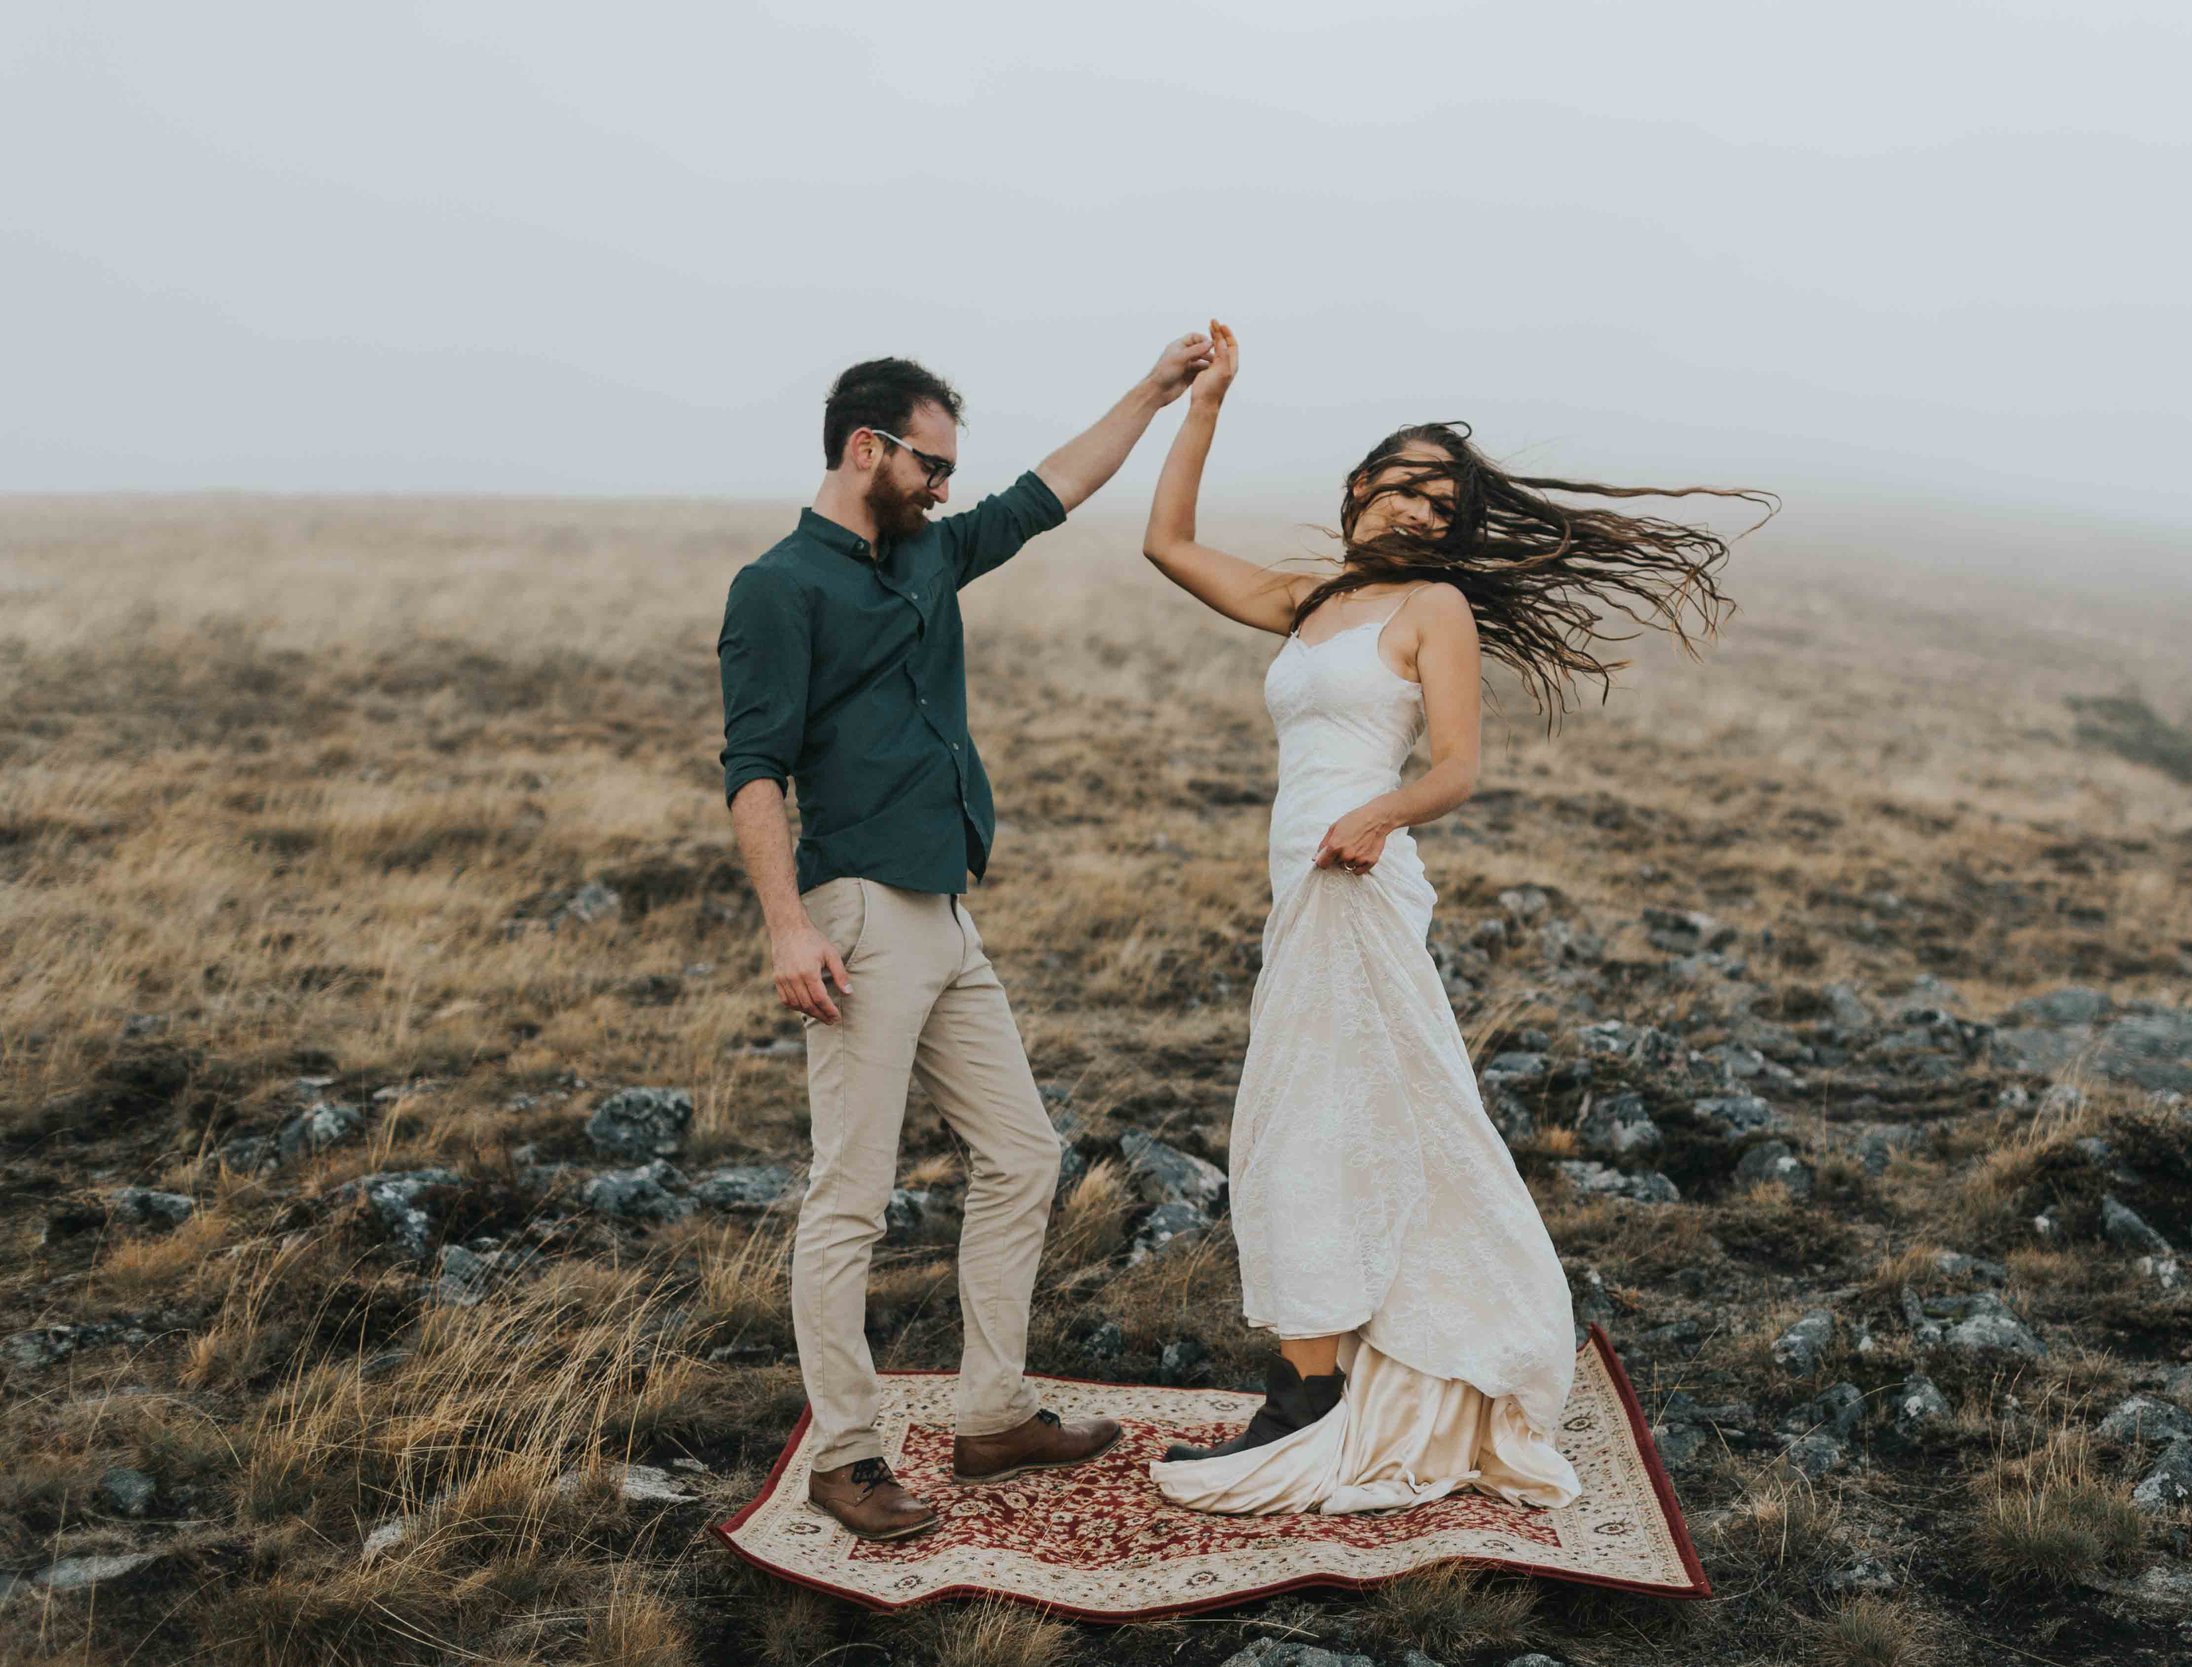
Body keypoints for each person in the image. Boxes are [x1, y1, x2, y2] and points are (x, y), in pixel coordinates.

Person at [1139, 322, 1769, 1514]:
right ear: (1360, 487)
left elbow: (1457, 767)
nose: (1427, 506)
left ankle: (1313, 1387)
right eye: (1410, 481)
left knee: (1320, 1111)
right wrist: (1206, 402)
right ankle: (1333, 1365)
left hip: (1356, 875)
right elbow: (1165, 542)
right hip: (1301, 875)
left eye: (1447, 496)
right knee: (1324, 1106)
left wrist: (1376, 817)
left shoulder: (1434, 608)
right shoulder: (1305, 601)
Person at [717, 336, 1215, 1541]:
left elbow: (1053, 490)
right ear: (863, 448)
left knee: (1024, 1152)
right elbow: (753, 771)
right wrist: (787, 926)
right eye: (930, 463)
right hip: (855, 915)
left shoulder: (930, 556)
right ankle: (845, 1452)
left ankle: (990, 1415)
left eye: (950, 468)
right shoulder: (778, 587)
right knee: (852, 1193)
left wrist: (1155, 393)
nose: (945, 485)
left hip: (946, 914)